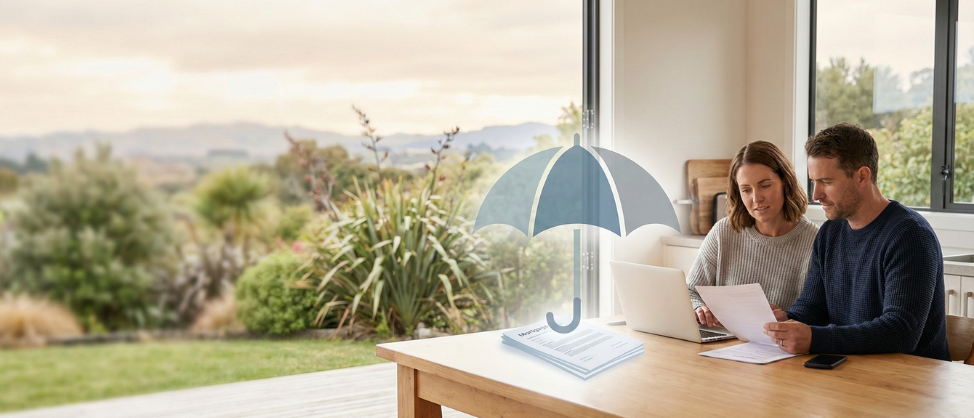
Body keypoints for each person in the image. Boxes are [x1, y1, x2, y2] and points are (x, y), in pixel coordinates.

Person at [764, 123, 950, 361]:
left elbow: (901, 332)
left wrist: (815, 338)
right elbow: (812, 308)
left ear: (862, 176)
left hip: (911, 382)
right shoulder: (830, 233)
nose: (816, 194)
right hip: (854, 372)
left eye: (827, 182)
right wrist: (785, 320)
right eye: (813, 181)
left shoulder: (910, 236)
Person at [688, 141, 819, 327]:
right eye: (746, 190)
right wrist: (699, 307)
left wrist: (789, 316)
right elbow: (690, 290)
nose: (756, 198)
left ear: (785, 182)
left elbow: (818, 313)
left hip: (779, 348)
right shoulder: (724, 232)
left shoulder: (815, 241)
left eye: (765, 186)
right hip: (722, 343)